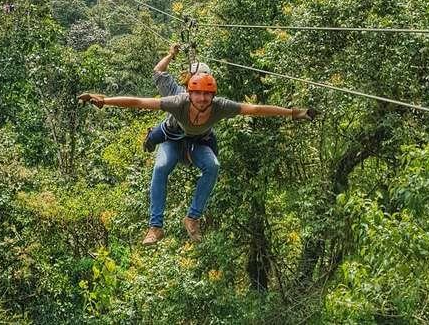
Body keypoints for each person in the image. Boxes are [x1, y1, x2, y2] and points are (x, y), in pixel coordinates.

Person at [78, 74, 316, 245]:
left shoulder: (221, 106)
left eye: (207, 94)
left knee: (213, 166)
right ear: (189, 94)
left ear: (213, 95)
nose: (202, 98)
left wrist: (294, 113)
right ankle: (155, 227)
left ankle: (192, 218)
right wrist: (105, 100)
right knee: (160, 168)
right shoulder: (178, 102)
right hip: (172, 139)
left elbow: (255, 109)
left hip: (198, 143)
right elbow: (140, 102)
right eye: (198, 93)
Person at [143, 43, 217, 155]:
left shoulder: (208, 98)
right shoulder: (177, 93)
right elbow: (158, 72)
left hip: (198, 135)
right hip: (173, 130)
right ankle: (151, 138)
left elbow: (157, 72)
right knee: (151, 140)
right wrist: (171, 55)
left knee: (213, 153)